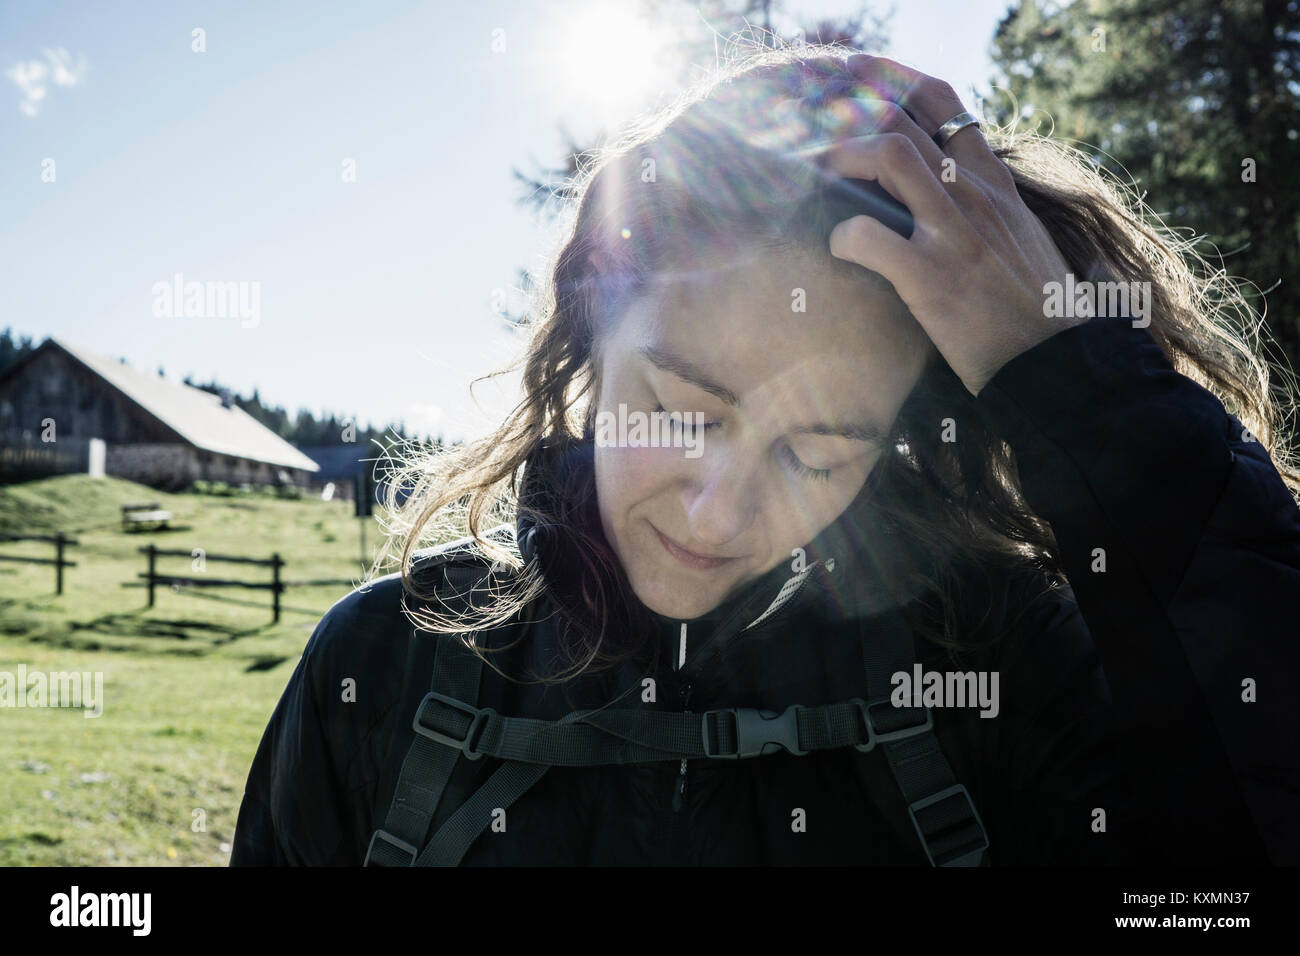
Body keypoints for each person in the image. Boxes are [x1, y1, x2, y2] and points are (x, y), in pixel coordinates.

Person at [231, 45, 1300, 866]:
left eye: (817, 454)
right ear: (595, 333)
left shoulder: (1003, 673)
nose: (713, 516)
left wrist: (1073, 378)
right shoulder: (386, 661)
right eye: (680, 412)